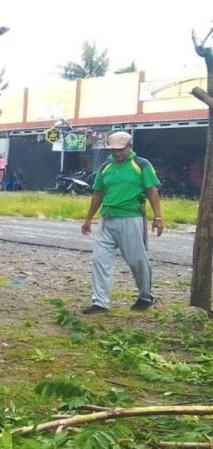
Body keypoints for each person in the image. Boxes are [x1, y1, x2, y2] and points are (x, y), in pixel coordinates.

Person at [80, 131, 163, 314]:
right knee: (99, 260)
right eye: (113, 150)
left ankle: (145, 296)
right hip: (107, 218)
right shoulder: (105, 167)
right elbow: (98, 194)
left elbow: (152, 191)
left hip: (131, 218)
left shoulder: (141, 165)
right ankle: (100, 302)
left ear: (129, 147)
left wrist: (158, 217)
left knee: (137, 260)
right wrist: (88, 219)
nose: (117, 153)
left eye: (120, 149)